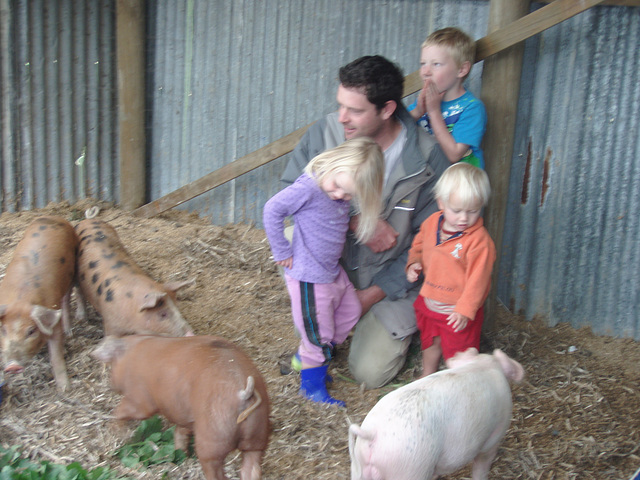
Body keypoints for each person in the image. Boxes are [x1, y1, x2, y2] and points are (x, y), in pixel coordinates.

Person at [280, 55, 450, 389]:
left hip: (390, 279)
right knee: (290, 233)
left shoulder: (428, 159)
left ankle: (367, 321)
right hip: (333, 267)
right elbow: (288, 196)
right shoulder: (326, 134)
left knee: (369, 374)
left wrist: (367, 297)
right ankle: (324, 312)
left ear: (387, 109)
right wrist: (358, 221)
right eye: (340, 105)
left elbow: (433, 243)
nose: (342, 117)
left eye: (355, 110)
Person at [264, 138, 385, 406]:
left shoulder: (337, 187)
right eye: (339, 187)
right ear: (332, 164)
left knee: (351, 310)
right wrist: (281, 250)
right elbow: (272, 209)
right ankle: (311, 387)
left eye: (350, 195)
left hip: (331, 272)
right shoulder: (308, 187)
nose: (341, 196)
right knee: (318, 336)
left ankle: (308, 358)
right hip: (309, 277)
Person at [405, 162, 496, 376]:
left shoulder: (479, 241)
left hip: (456, 311)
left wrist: (465, 309)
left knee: (459, 354)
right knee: (431, 343)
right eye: (457, 211)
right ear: (441, 203)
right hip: (430, 301)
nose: (464, 218)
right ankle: (428, 376)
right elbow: (418, 245)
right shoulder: (431, 224)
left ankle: (460, 383)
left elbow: (478, 280)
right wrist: (414, 262)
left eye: (473, 211)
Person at [407, 27, 487, 168]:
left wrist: (434, 112)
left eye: (436, 64)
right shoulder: (423, 103)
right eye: (423, 64)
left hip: (459, 185)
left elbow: (453, 155)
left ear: (461, 70)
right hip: (428, 180)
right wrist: (418, 112)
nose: (426, 72)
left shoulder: (472, 108)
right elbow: (397, 129)